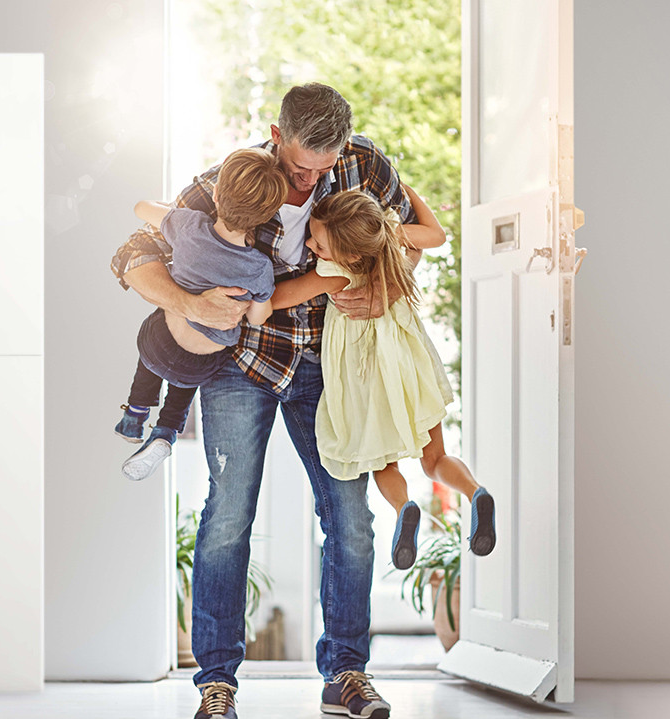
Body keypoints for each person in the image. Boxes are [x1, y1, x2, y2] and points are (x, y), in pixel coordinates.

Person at [111, 83, 432, 719]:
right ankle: (217, 682)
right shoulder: (229, 184)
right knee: (228, 515)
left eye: (322, 168)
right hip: (242, 362)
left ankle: (346, 674)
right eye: (298, 166)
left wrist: (389, 290)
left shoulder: (364, 166)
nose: (308, 181)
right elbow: (130, 255)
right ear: (276, 137)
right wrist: (190, 303)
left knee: (350, 515)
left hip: (329, 362)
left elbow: (403, 243)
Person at [270, 188, 496, 571]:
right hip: (411, 368)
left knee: (383, 464)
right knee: (435, 458)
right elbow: (437, 235)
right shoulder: (390, 237)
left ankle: (403, 507)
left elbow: (279, 297)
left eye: (319, 244)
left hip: (368, 379)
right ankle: (476, 493)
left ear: (350, 255)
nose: (309, 244)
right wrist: (410, 193)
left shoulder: (335, 273)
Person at [114, 148, 287, 481]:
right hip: (201, 366)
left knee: (158, 330)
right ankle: (166, 430)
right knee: (192, 371)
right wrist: (255, 300)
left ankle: (134, 415)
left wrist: (170, 210)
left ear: (217, 196)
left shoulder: (189, 225)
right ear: (266, 217)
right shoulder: (259, 268)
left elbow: (140, 208)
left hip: (158, 347)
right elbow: (257, 319)